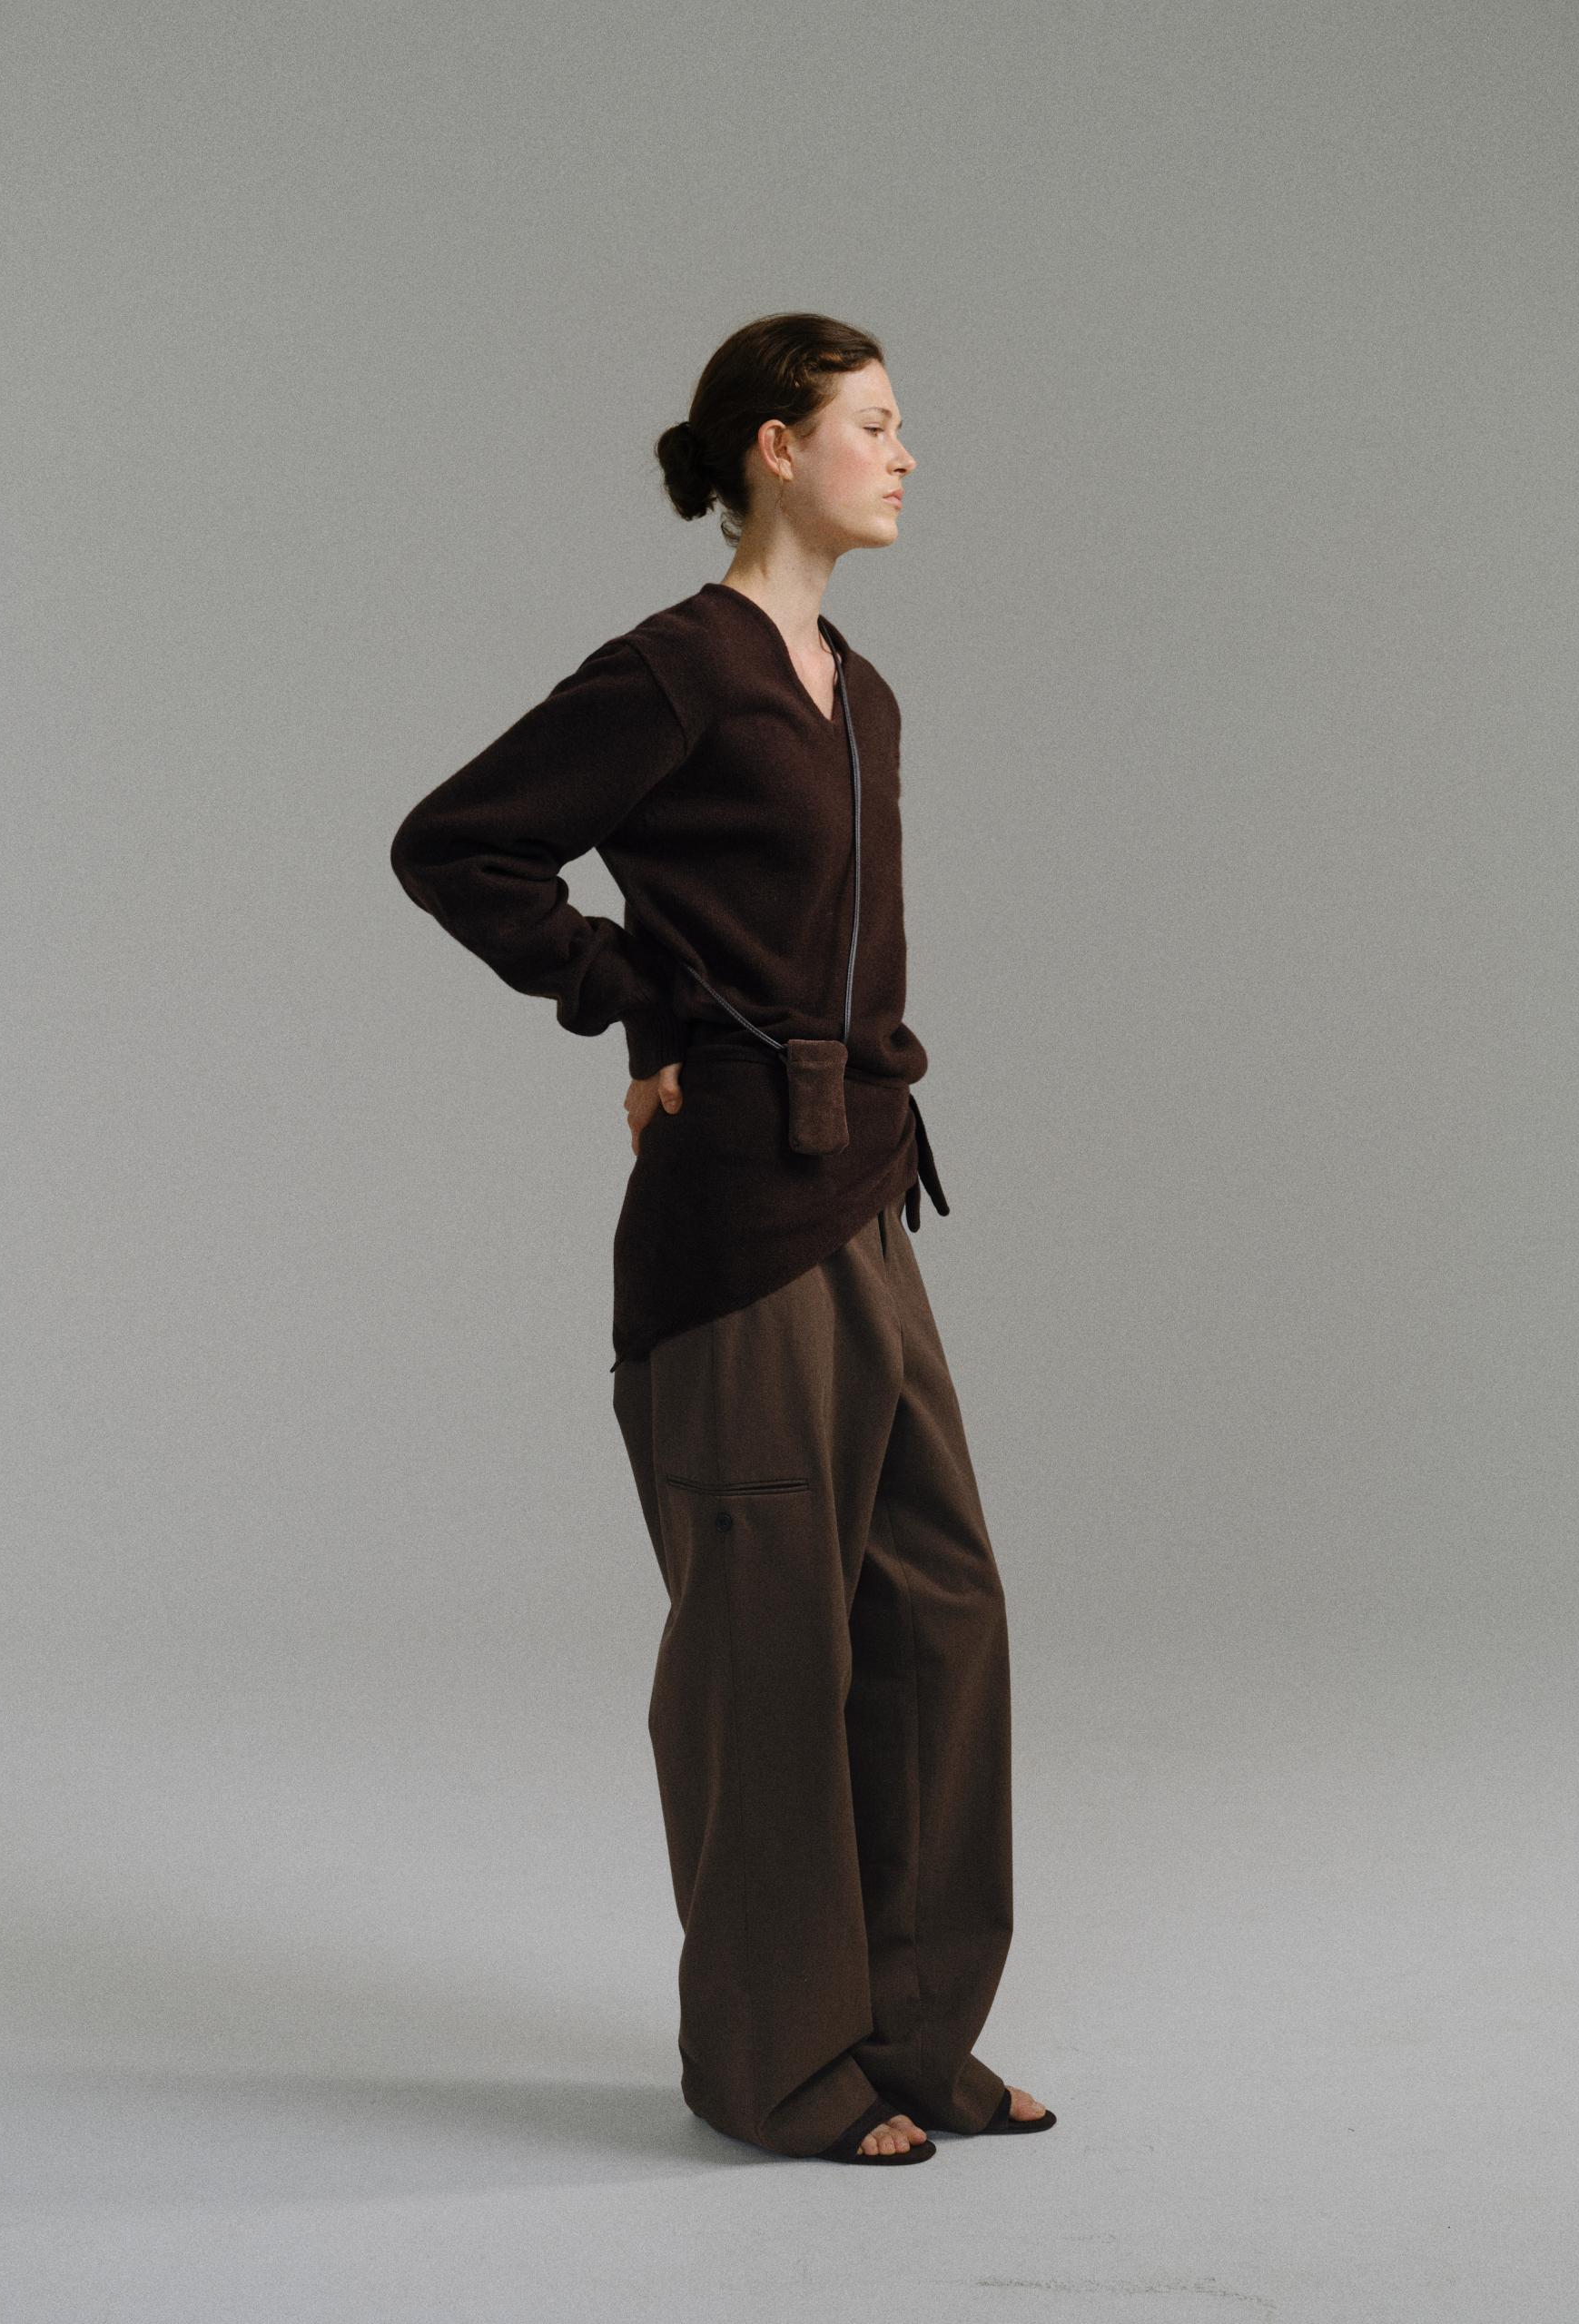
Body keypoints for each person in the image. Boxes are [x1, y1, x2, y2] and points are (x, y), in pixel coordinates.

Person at [390, 312, 1053, 2165]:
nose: (904, 456)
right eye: (873, 424)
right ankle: (777, 2060)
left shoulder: (861, 691)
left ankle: (910, 2033)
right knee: (769, 1641)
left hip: (866, 1195)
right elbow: (458, 843)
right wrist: (634, 1005)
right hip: (736, 1224)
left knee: (938, 1612)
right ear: (776, 446)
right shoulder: (677, 670)